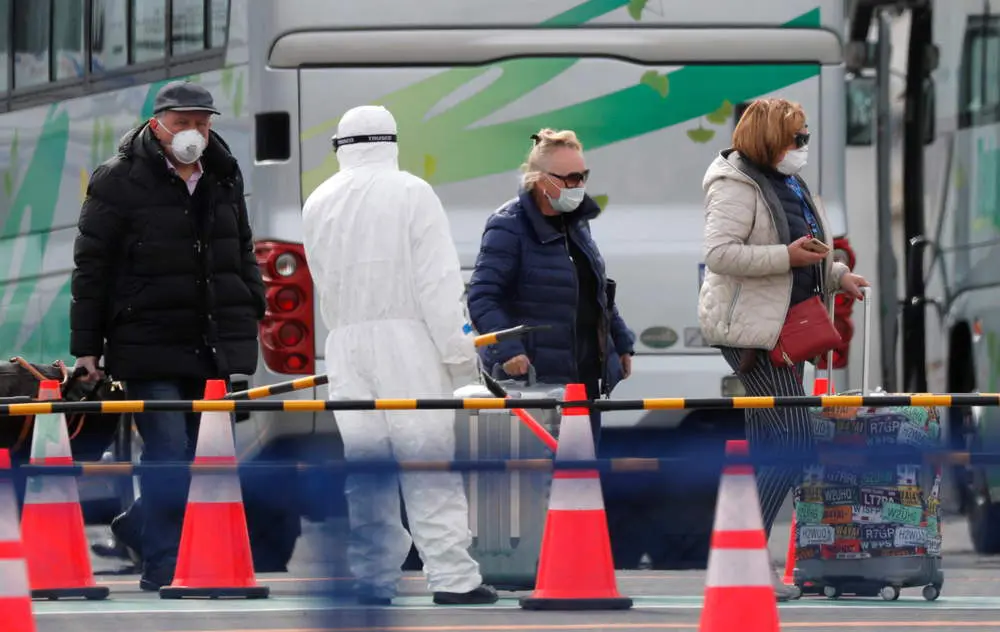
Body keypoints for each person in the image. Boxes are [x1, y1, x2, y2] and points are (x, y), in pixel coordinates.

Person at [70, 80, 265, 591]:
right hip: (147, 343)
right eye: (183, 124)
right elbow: (92, 267)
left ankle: (136, 525)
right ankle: (164, 564)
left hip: (211, 343)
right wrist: (87, 348)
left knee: (203, 460)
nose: (194, 134)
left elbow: (240, 248)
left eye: (203, 123)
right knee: (168, 450)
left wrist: (252, 304)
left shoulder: (223, 175)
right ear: (157, 125)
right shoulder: (116, 179)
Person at [301, 104, 497, 606]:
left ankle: (372, 577)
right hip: (407, 343)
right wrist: (461, 359)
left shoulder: (318, 200)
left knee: (367, 468)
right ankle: (454, 577)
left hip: (344, 346)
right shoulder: (412, 192)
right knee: (426, 459)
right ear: (392, 140)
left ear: (340, 147)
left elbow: (322, 281)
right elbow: (438, 283)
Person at [696, 98, 869, 600]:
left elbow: (806, 250)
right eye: (797, 138)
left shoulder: (787, 182)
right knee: (795, 442)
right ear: (771, 140)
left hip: (781, 326)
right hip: (751, 333)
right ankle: (744, 558)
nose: (803, 147)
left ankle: (738, 560)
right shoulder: (735, 184)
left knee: (772, 446)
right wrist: (785, 256)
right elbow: (718, 254)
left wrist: (837, 274)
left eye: (806, 137)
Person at [466, 128, 635, 447]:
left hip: (584, 377)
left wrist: (621, 342)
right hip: (537, 380)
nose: (579, 186)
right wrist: (508, 349)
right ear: (541, 180)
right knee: (542, 482)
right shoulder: (508, 225)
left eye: (583, 176)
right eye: (570, 178)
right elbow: (482, 297)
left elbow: (597, 292)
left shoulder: (577, 223)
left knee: (582, 477)